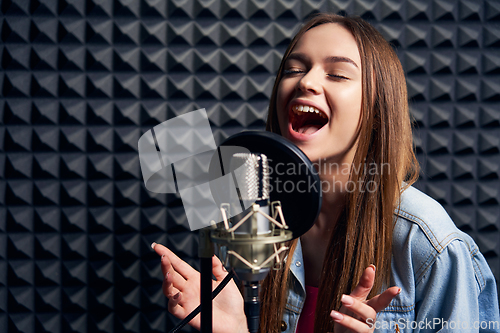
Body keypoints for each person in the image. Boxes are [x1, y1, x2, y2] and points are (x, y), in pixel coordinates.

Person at [152, 13, 500, 333]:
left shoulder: (428, 244)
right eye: (293, 69)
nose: (306, 81)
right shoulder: (249, 212)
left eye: (337, 74)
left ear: (376, 111)